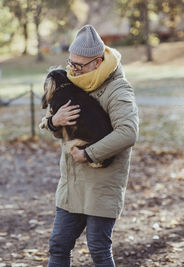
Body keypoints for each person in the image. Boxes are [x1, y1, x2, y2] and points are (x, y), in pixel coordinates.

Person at [41, 25, 139, 266]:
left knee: (98, 248)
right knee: (58, 245)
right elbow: (54, 127)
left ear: (97, 62)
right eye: (70, 63)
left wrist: (89, 154)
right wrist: (55, 121)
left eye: (79, 65)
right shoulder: (73, 80)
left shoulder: (118, 89)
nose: (72, 69)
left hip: (102, 185)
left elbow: (128, 133)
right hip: (72, 185)